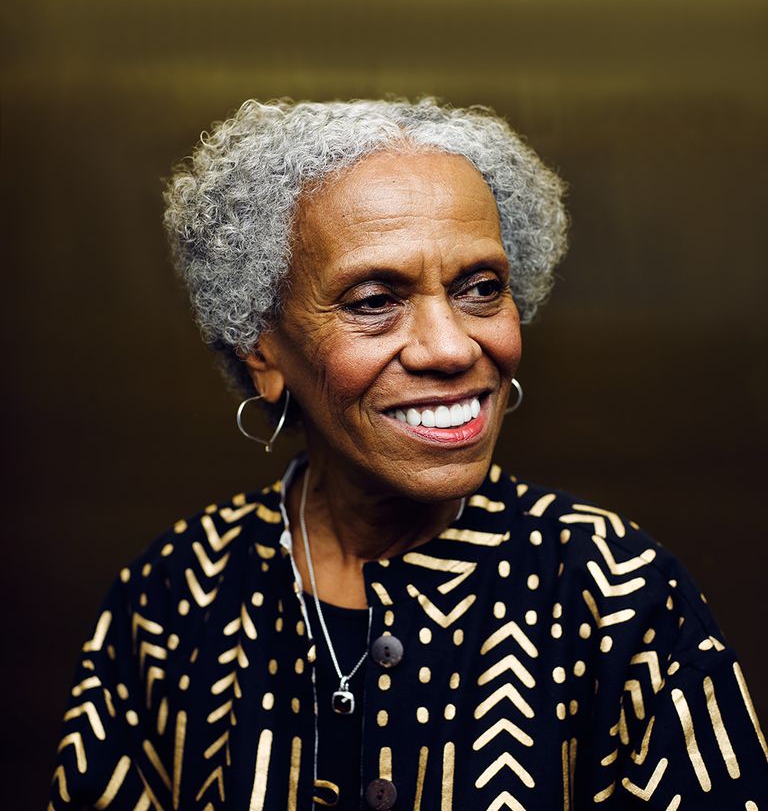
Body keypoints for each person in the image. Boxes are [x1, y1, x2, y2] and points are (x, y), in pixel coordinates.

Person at [50, 98, 767, 810]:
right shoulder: (176, 596)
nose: (453, 348)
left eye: (481, 290)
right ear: (262, 349)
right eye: (372, 300)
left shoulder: (618, 599)